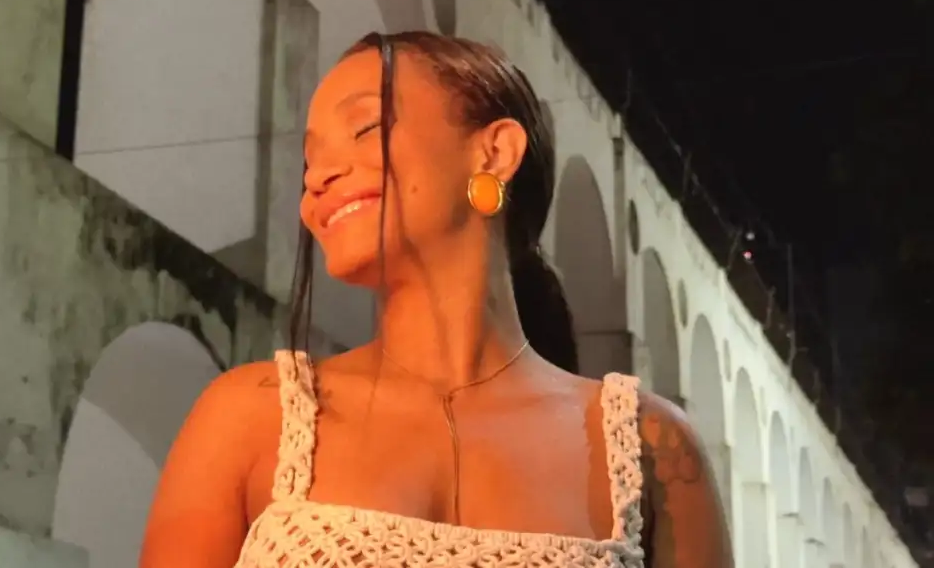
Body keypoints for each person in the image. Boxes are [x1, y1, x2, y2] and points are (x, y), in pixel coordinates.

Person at [140, 31, 732, 568]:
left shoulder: (652, 448)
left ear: (494, 153)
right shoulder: (250, 417)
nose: (317, 179)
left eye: (364, 129)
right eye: (309, 161)